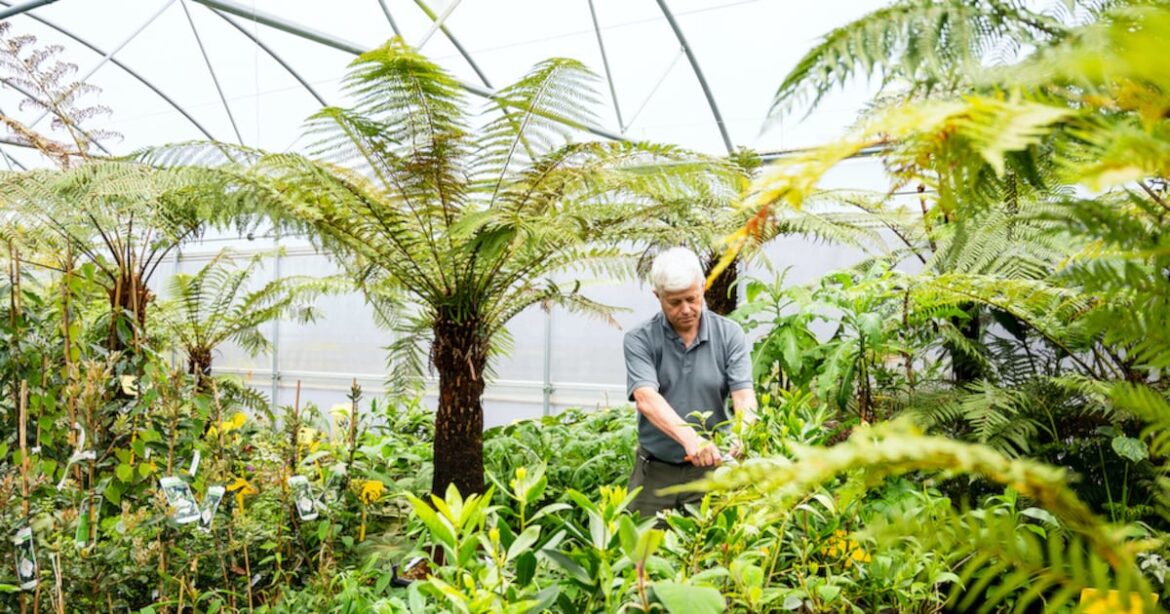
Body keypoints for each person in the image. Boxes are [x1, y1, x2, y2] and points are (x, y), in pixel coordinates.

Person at [624, 247, 757, 519]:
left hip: (711, 474)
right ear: (657, 296)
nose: (686, 309)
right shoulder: (640, 339)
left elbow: (743, 396)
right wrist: (691, 440)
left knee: (710, 555)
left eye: (692, 298)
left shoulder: (730, 335)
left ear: (703, 287)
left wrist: (743, 434)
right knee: (641, 557)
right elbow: (646, 398)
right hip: (654, 475)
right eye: (674, 302)